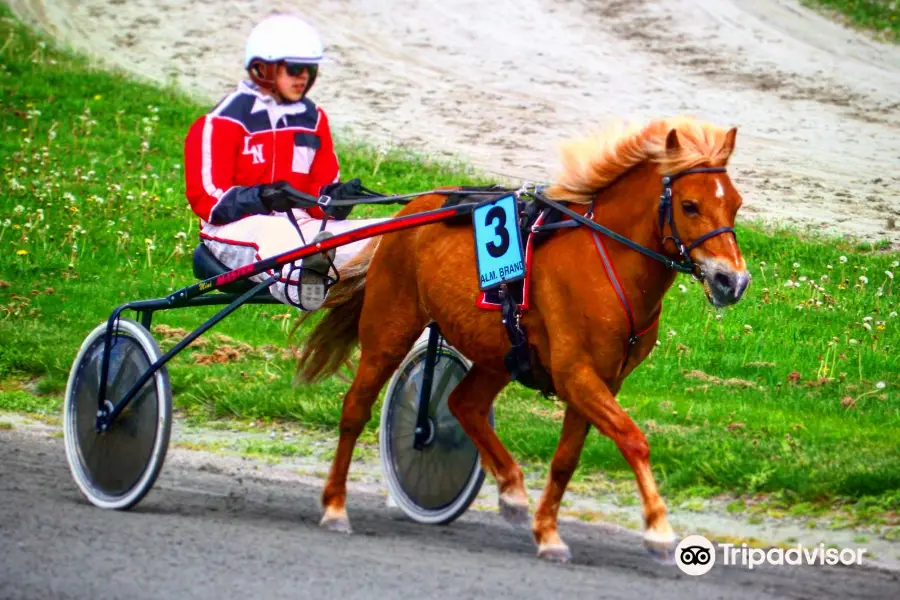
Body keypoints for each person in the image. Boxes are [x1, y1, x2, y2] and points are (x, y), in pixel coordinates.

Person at [184, 13, 386, 310]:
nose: (303, 76)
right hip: (235, 231)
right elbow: (208, 202)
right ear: (262, 69)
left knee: (390, 233)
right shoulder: (220, 122)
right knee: (278, 233)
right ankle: (304, 286)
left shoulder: (314, 121)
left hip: (305, 230)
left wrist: (338, 200)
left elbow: (319, 206)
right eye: (294, 68)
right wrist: (261, 198)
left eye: (310, 68)